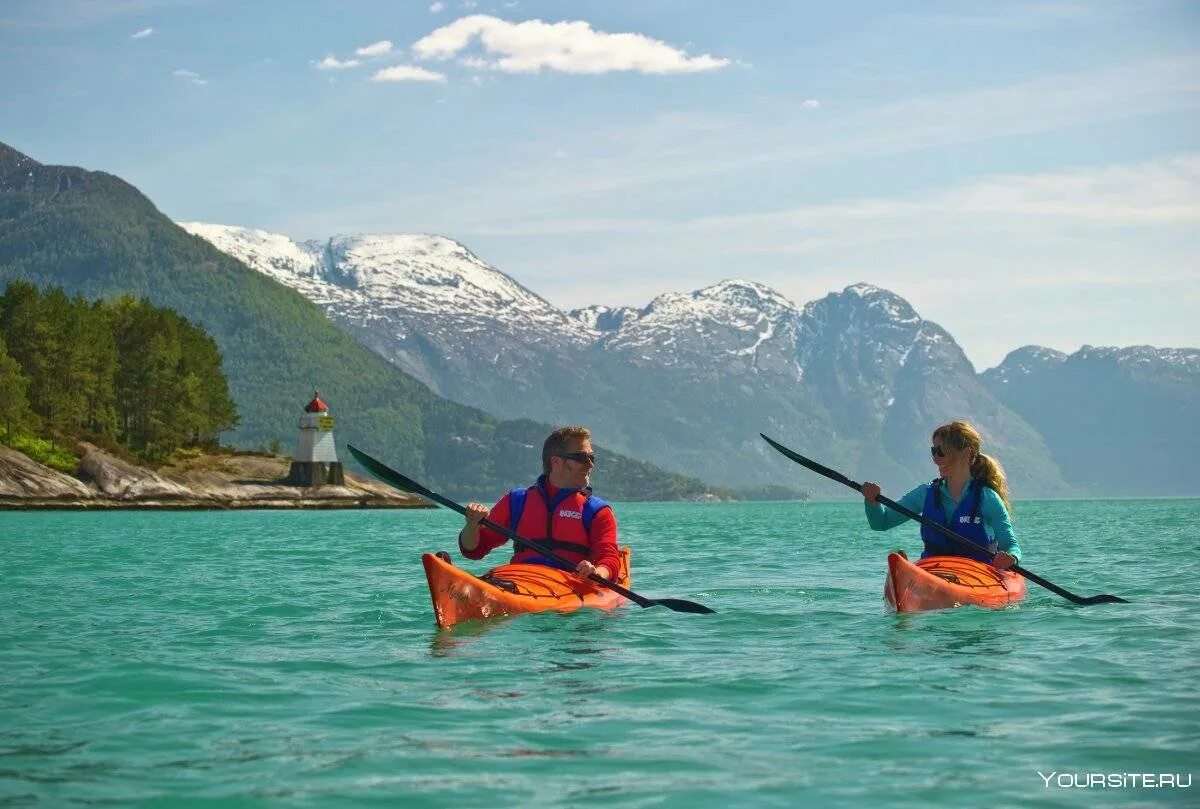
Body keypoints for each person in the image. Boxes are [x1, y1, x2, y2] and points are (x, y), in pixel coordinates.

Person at [459, 425, 620, 581]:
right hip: (518, 580)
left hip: (568, 585)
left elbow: (609, 561)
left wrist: (597, 573)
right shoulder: (516, 501)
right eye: (581, 458)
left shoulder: (597, 511)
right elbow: (474, 550)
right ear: (556, 462)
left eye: (591, 458)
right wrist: (471, 526)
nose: (590, 464)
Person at [860, 420, 1021, 569]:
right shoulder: (925, 493)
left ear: (966, 453)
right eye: (934, 451)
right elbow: (881, 522)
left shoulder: (988, 498)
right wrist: (872, 502)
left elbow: (1010, 545)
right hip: (934, 570)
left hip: (977, 574)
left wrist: (1011, 558)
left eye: (941, 451)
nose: (935, 458)